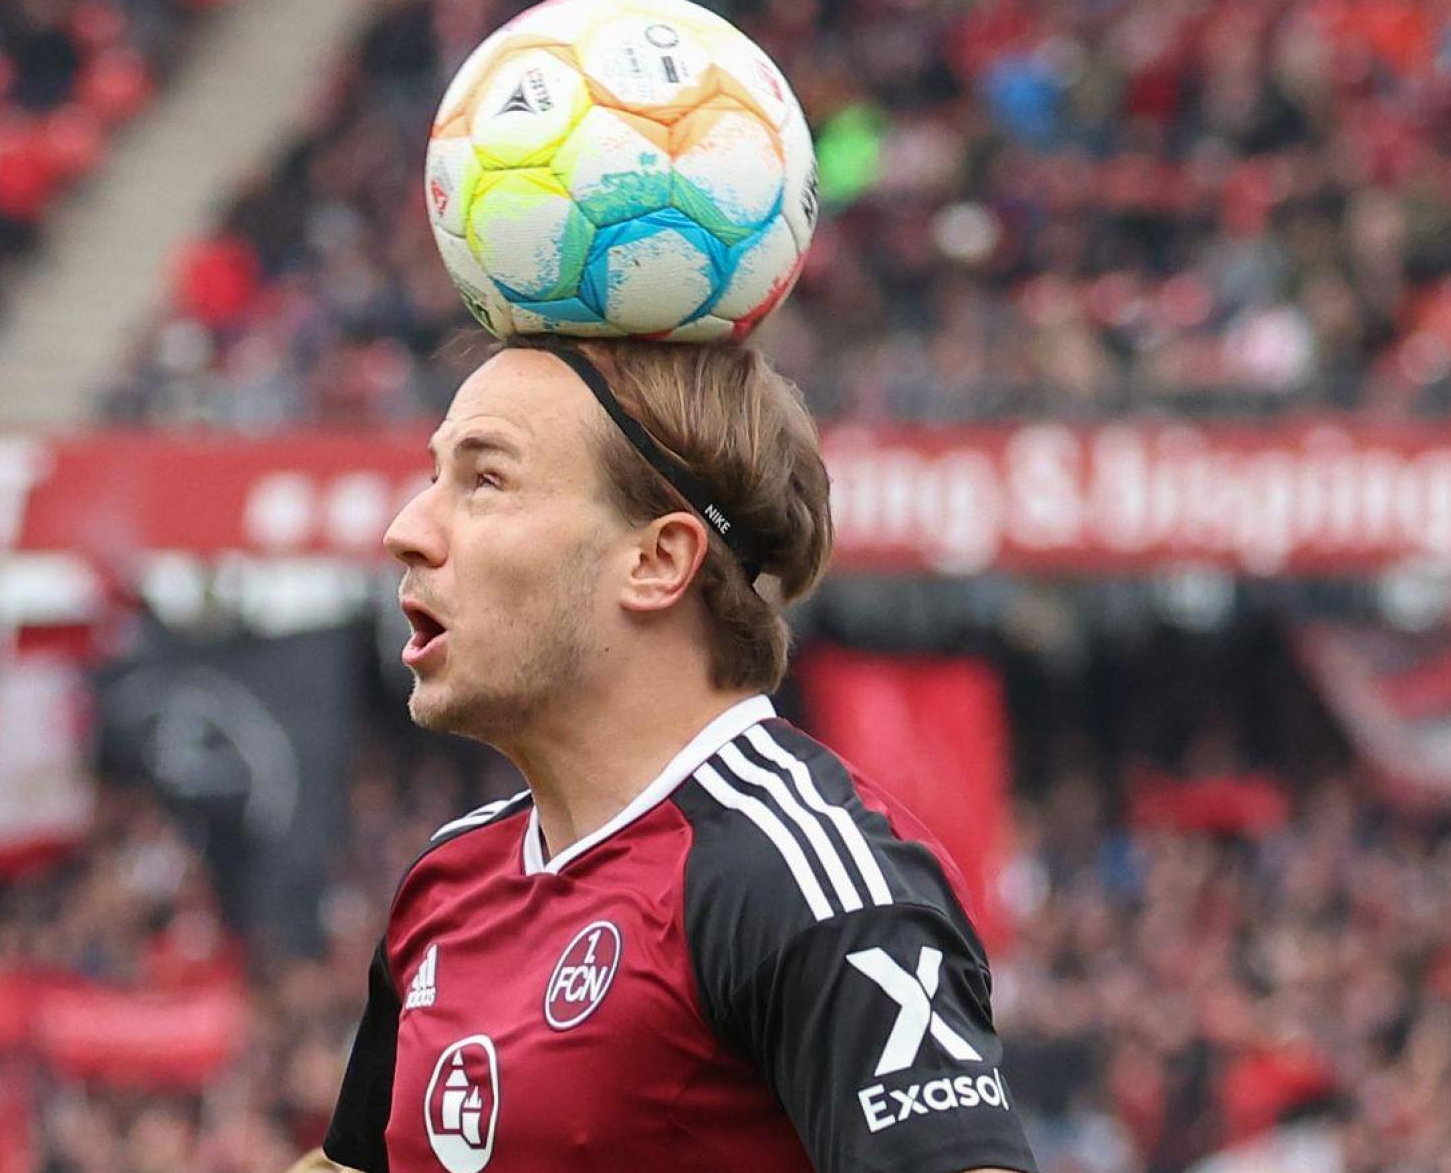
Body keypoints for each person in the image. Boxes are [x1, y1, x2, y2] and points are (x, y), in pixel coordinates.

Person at [315, 332, 1037, 1173]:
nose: (408, 529)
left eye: (486, 480)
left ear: (659, 561)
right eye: (434, 476)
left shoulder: (813, 889)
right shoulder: (448, 880)